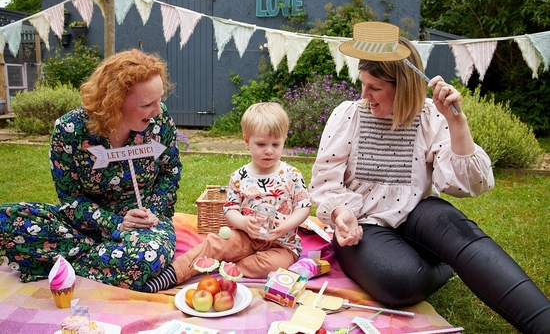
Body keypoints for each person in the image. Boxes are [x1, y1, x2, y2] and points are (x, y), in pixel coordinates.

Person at [309, 21, 550, 333]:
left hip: (417, 214)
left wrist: (456, 122)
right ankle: (448, 262)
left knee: (461, 234)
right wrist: (341, 212)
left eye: (375, 88)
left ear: (404, 87)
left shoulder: (429, 116)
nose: (364, 94)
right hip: (364, 222)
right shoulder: (349, 115)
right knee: (400, 281)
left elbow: (470, 184)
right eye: (363, 84)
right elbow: (326, 181)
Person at [0, 49, 181, 290]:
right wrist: (115, 224)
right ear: (114, 103)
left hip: (143, 228)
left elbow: (170, 171)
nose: (158, 110)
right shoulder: (69, 130)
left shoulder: (159, 121)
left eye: (160, 99)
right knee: (6, 220)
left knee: (147, 254)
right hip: (84, 225)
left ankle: (58, 262)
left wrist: (152, 212)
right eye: (148, 104)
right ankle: (107, 260)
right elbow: (70, 198)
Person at [141, 102, 312, 293]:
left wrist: (287, 226)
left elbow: (304, 206)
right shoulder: (239, 177)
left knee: (270, 266)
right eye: (261, 144)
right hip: (245, 236)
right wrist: (243, 222)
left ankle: (226, 266)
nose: (269, 150)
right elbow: (230, 209)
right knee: (215, 243)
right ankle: (173, 274)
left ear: (284, 140)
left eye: (275, 144)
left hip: (281, 243)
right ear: (247, 141)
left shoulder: (292, 174)